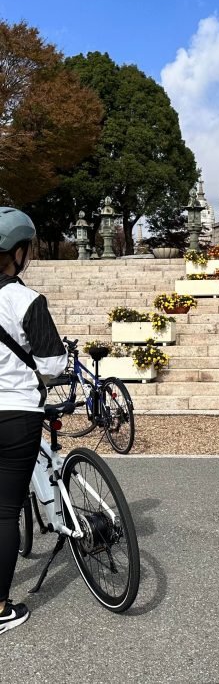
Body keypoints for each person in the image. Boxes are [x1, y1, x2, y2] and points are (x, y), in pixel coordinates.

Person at [0, 208, 68, 635]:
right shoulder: (25, 300)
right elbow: (53, 362)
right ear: (20, 252)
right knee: (5, 510)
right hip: (17, 411)